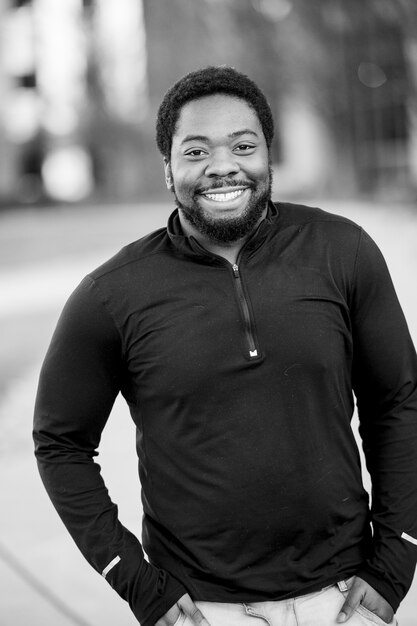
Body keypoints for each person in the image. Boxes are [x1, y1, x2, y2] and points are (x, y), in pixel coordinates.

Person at [33, 66, 417, 626]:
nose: (223, 166)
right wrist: (136, 582)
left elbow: (398, 403)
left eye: (243, 145)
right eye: (195, 151)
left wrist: (395, 559)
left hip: (346, 598)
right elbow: (60, 443)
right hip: (200, 610)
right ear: (168, 168)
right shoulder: (111, 294)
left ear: (268, 155)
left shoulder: (344, 252)